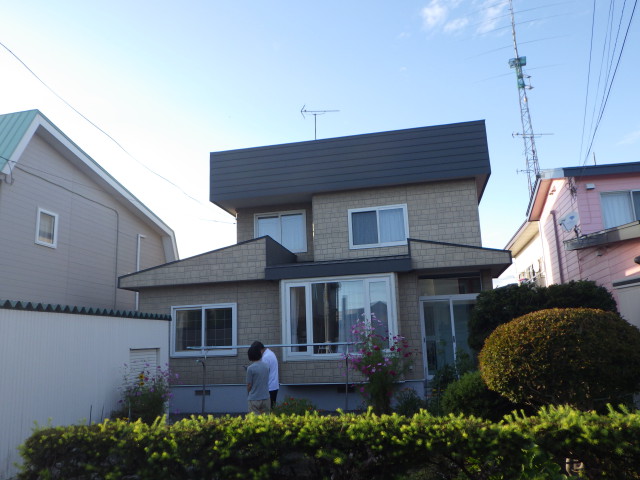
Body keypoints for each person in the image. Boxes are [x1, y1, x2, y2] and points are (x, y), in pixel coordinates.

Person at [252, 340, 279, 407]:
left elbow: (263, 373)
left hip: (268, 387)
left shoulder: (265, 358)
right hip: (274, 385)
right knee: (272, 407)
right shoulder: (270, 353)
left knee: (266, 409)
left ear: (260, 350)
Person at [246, 345, 271, 414]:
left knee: (254, 419)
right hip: (266, 397)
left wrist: (249, 394)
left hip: (254, 398)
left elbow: (249, 385)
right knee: (266, 419)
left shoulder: (250, 368)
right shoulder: (266, 366)